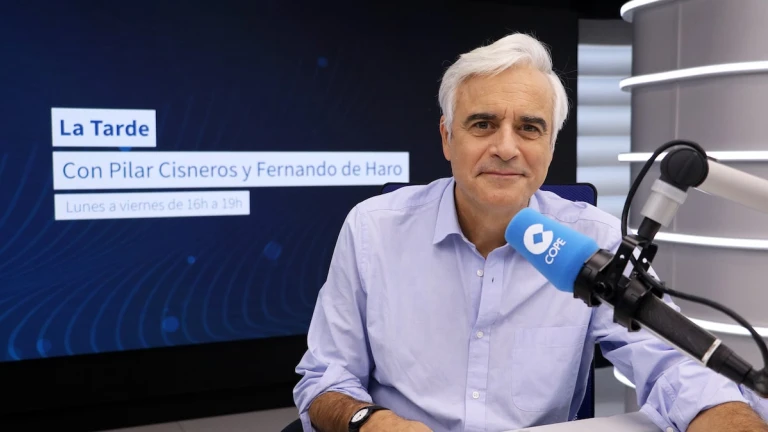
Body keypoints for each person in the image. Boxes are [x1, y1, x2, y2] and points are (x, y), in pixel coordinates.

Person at [292, 33, 768, 432]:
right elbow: (324, 378)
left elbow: (677, 369)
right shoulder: (373, 229)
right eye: (483, 124)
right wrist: (370, 422)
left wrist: (729, 417)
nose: (506, 148)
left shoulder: (593, 242)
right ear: (446, 138)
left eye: (529, 128)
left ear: (551, 146)